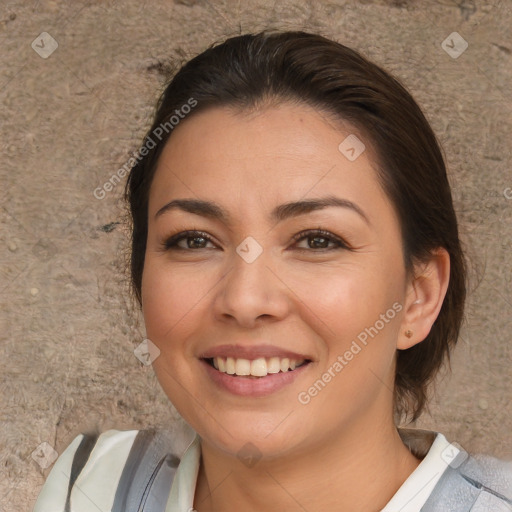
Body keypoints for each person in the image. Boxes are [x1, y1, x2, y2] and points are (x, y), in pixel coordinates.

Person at [33, 29, 512, 512]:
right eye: (194, 240)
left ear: (419, 295)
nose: (244, 300)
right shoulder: (92, 485)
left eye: (317, 241)